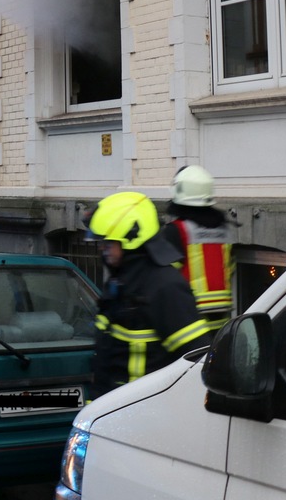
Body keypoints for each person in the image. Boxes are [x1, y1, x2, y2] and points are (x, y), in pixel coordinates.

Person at [87, 191, 212, 399]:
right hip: (114, 412)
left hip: (145, 415)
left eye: (108, 243)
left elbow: (196, 360)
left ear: (132, 238)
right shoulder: (120, 281)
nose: (103, 250)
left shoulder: (166, 286)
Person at [160, 165, 236, 334]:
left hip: (189, 316)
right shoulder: (224, 229)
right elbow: (229, 268)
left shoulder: (177, 230)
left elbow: (165, 276)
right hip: (222, 320)